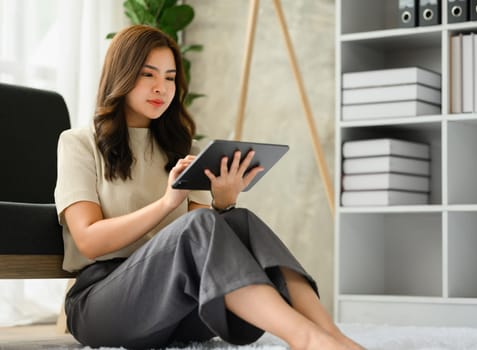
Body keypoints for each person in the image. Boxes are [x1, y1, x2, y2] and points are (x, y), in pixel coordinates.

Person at [54, 24, 365, 350]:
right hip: (102, 302)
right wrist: (166, 203)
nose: (162, 87)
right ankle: (306, 339)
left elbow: (202, 243)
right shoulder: (78, 143)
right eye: (149, 75)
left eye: (171, 77)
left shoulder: (181, 150)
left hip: (175, 306)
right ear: (122, 74)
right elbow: (88, 240)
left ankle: (333, 336)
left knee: (238, 220)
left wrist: (223, 202)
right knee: (198, 224)